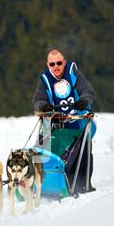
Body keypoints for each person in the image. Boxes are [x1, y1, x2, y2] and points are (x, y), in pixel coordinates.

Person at [32, 49, 96, 194]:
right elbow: (37, 100)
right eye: (52, 64)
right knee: (45, 147)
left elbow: (89, 92)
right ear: (48, 65)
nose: (56, 66)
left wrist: (83, 101)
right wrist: (43, 106)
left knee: (82, 149)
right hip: (57, 123)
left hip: (79, 121)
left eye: (59, 63)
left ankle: (82, 184)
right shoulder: (45, 79)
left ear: (64, 63)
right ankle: (38, 181)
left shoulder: (73, 74)